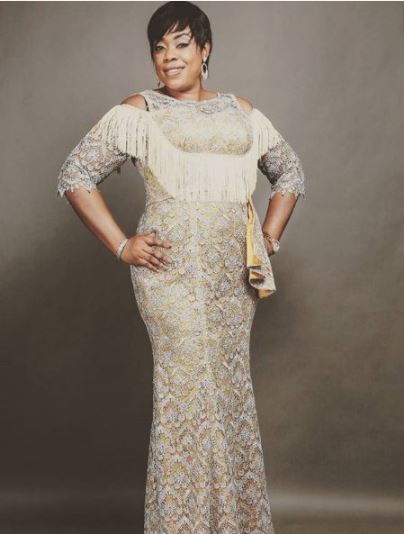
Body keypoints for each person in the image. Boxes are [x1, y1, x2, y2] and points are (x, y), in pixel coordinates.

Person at [56, 2, 306, 532]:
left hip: (233, 285)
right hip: (169, 280)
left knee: (228, 395)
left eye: (181, 44)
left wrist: (266, 240)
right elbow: (75, 175)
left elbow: (290, 173)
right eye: (159, 46)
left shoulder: (240, 111)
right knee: (187, 399)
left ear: (205, 50)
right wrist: (122, 245)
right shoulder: (140, 110)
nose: (169, 56)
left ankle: (233, 524)